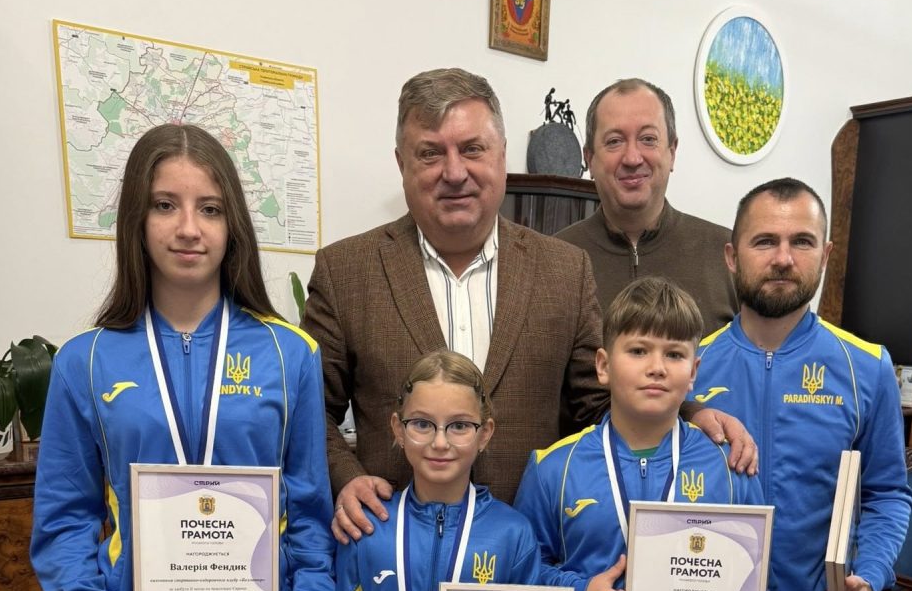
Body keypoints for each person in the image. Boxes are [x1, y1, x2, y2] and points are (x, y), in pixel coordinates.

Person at [303, 67, 755, 546]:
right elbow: (309, 412)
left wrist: (687, 413)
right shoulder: (346, 271)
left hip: (532, 556)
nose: (454, 172)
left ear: (501, 154)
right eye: (430, 153)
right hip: (390, 549)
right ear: (401, 163)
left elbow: (598, 400)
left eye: (472, 149)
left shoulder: (563, 269)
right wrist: (346, 477)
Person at [30, 124, 334, 591]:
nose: (189, 228)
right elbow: (65, 519)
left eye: (210, 209)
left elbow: (309, 509)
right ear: (137, 219)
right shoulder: (84, 361)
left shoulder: (291, 354)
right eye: (165, 205)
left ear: (232, 225)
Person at [692, 178, 912, 591]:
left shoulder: (867, 368)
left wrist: (870, 574)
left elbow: (888, 493)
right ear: (731, 256)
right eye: (764, 241)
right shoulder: (688, 369)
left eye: (802, 242)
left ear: (825, 255)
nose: (783, 258)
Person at [514, 276, 764, 591]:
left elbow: (759, 587)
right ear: (603, 366)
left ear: (693, 373)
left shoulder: (729, 468)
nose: (657, 367)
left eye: (674, 354)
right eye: (638, 351)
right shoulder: (553, 468)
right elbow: (520, 573)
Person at [328, 350, 542, 591]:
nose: (440, 442)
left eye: (459, 426)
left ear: (484, 434)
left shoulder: (513, 534)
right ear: (398, 429)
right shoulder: (366, 526)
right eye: (422, 424)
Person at [556, 78, 738, 333]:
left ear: (672, 152)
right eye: (614, 141)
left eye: (648, 139)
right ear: (589, 159)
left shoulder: (727, 255)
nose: (632, 158)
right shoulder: (554, 260)